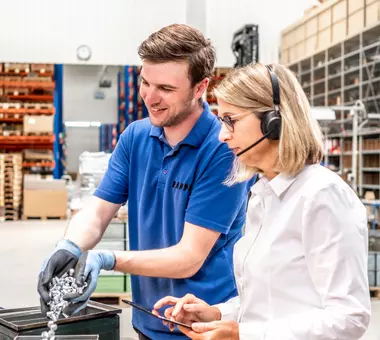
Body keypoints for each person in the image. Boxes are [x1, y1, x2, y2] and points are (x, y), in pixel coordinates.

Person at [37, 24, 252, 340]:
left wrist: (106, 259)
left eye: (165, 88)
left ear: (199, 87)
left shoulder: (223, 148)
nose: (150, 97)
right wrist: (70, 245)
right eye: (145, 82)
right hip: (148, 319)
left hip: (204, 326)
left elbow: (188, 258)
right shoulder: (135, 137)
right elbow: (97, 213)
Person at [153, 62, 371, 340]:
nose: (222, 135)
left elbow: (349, 318)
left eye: (231, 120)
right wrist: (218, 314)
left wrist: (242, 334)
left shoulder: (321, 195)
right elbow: (268, 303)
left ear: (274, 122)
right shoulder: (263, 195)